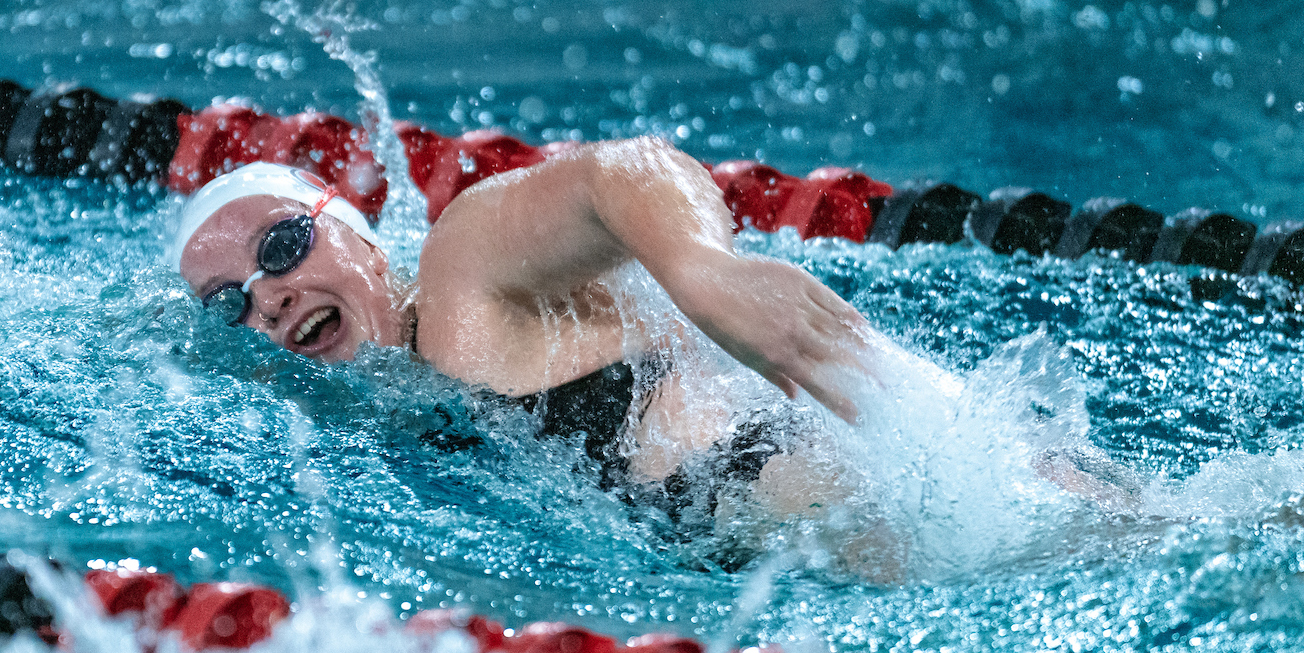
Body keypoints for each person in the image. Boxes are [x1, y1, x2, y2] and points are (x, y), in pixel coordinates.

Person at [170, 137, 882, 523]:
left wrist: (703, 272)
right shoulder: (381, 415)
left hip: (823, 494)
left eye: (282, 246)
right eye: (227, 301)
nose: (267, 297)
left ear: (365, 244)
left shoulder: (461, 277)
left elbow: (624, 171)